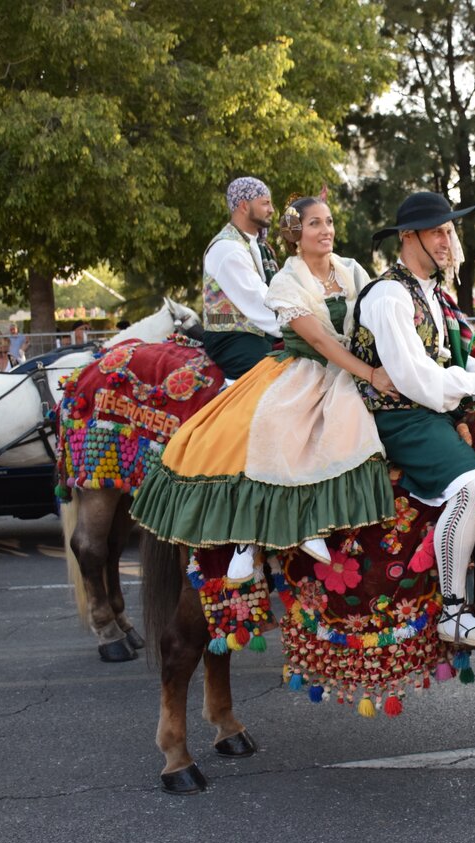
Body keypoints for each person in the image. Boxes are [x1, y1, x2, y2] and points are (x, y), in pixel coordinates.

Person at [132, 197, 396, 570]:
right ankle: (251, 537)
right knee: (271, 422)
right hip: (305, 363)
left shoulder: (353, 270)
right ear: (295, 234)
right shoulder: (283, 279)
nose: (326, 231)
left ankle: (314, 521)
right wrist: (369, 374)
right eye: (315, 224)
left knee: (350, 422)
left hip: (347, 364)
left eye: (329, 221)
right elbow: (318, 340)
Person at [348, 191, 475, 648]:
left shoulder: (432, 293)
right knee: (470, 484)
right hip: (399, 417)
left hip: (427, 408)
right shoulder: (388, 295)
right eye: (437, 232)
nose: (448, 240)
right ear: (408, 238)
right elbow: (415, 379)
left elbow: (450, 363)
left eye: (449, 230)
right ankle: (453, 609)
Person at [201, 176, 282, 380]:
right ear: (244, 206)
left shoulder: (256, 245)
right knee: (268, 382)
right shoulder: (228, 248)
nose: (271, 209)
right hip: (232, 338)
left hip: (261, 331)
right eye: (265, 203)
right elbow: (260, 301)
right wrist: (301, 327)